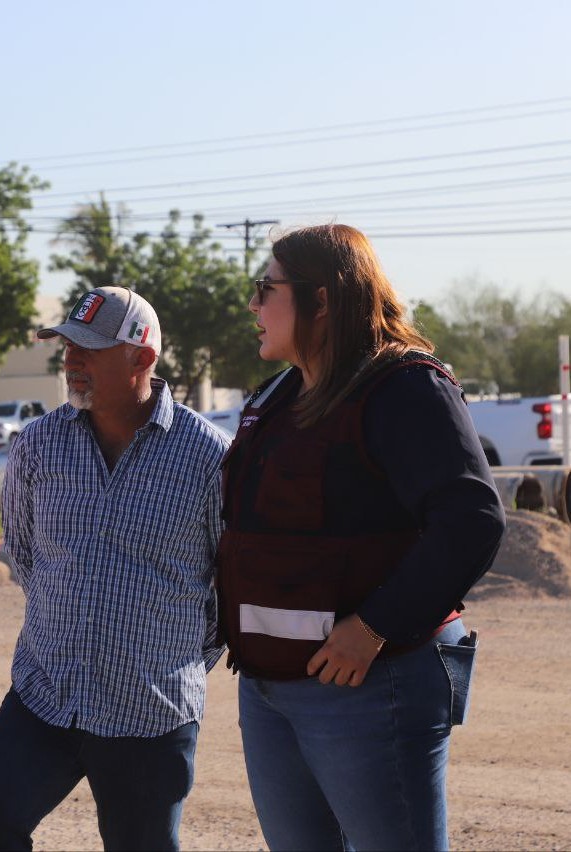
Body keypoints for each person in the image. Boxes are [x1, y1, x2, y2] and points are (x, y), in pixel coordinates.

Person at [217, 224, 506, 851]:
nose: (253, 305)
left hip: (373, 684)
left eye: (266, 289)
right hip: (272, 689)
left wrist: (376, 624)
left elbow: (472, 519)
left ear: (322, 299)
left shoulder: (403, 386)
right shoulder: (284, 393)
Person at [0, 286, 230, 852]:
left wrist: (162, 661)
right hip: (45, 696)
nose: (71, 361)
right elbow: (29, 559)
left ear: (143, 358)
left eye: (89, 348)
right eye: (66, 347)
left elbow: (227, 587)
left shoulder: (210, 459)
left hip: (149, 714)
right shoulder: (37, 446)